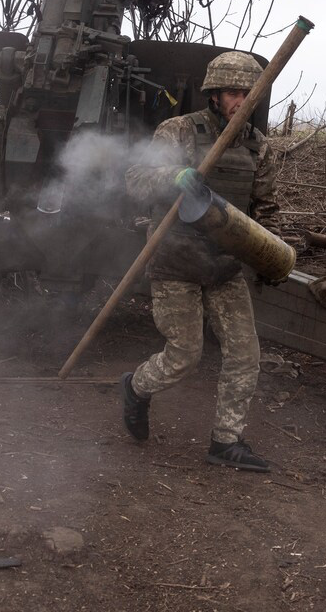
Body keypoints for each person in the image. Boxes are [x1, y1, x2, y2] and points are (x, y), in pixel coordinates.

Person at [120, 51, 281, 471]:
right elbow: (135, 181)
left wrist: (270, 257)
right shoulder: (179, 131)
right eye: (232, 92)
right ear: (214, 95)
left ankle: (226, 442)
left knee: (246, 355)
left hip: (225, 266)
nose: (240, 101)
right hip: (176, 259)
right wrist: (172, 177)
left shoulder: (258, 146)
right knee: (184, 356)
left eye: (248, 94)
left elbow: (263, 211)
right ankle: (136, 388)